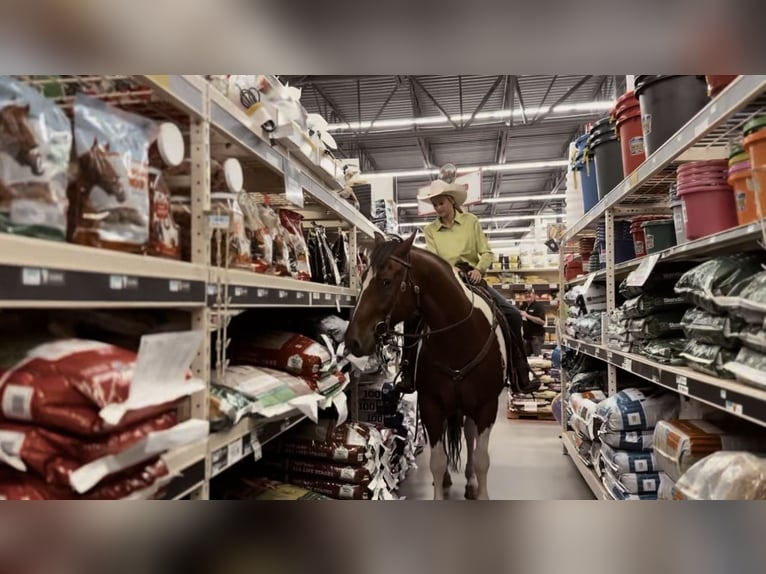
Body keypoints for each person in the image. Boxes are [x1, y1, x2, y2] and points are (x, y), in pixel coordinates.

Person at [396, 177, 531, 392]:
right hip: (445, 282)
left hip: (472, 278)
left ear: (451, 201)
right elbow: (434, 259)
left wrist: (479, 269)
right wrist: (450, 271)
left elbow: (486, 252)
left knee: (513, 315)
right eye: (435, 204)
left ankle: (519, 372)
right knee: (412, 318)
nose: (438, 208)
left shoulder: (471, 222)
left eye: (441, 203)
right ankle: (408, 372)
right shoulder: (430, 230)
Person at [520, 288, 547, 356]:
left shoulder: (538, 306)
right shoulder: (523, 306)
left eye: (529, 293)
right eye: (526, 293)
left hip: (536, 337)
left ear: (534, 295)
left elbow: (542, 322)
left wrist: (527, 315)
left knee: (537, 357)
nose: (527, 295)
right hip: (526, 337)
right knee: (526, 358)